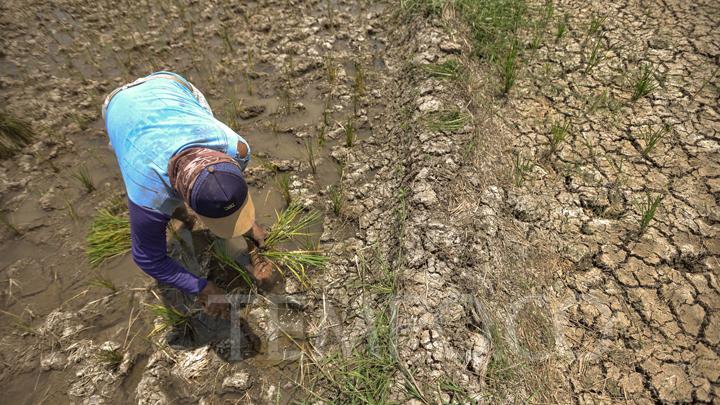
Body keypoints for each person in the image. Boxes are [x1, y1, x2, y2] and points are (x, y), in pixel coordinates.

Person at [102, 71, 272, 317]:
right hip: (118, 110)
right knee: (164, 199)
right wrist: (202, 287)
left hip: (168, 86)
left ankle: (199, 221)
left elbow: (227, 190)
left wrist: (250, 236)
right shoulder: (148, 194)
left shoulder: (236, 148)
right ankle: (185, 217)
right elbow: (148, 259)